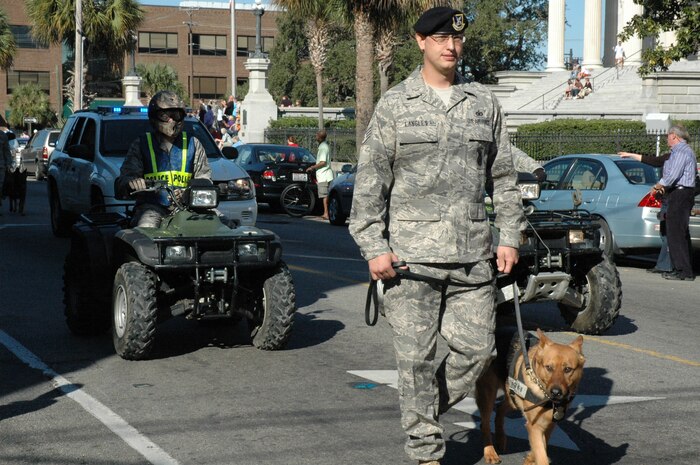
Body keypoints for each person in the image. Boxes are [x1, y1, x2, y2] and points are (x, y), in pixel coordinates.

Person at [348, 7, 524, 465]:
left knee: (478, 349)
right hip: (410, 263)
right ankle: (426, 453)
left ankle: (420, 407)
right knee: (415, 363)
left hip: (472, 258)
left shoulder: (483, 105)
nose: (451, 45)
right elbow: (370, 183)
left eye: (457, 39)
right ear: (420, 41)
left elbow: (504, 178)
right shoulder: (395, 105)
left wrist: (509, 237)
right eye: (441, 37)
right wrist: (374, 247)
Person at [115, 90, 212, 228]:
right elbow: (124, 180)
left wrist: (187, 193)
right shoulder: (142, 144)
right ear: (154, 118)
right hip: (152, 208)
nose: (171, 120)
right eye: (164, 116)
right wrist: (132, 183)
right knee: (146, 228)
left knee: (220, 223)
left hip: (190, 208)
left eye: (176, 115)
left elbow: (205, 179)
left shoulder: (193, 143)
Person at [650, 125, 697, 280]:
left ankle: (683, 271)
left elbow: (673, 174)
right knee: (678, 232)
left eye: (668, 136)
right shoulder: (678, 151)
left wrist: (658, 186)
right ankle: (682, 268)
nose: (667, 139)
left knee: (676, 233)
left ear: (675, 136)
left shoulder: (682, 151)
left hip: (681, 193)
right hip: (678, 193)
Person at [618, 150, 672, 273]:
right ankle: (666, 264)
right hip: (667, 199)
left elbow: (664, 171)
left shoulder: (674, 157)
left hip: (669, 199)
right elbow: (653, 161)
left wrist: (658, 187)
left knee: (668, 234)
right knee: (666, 234)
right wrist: (632, 155)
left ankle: (666, 265)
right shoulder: (673, 157)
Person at [306, 130, 333, 220]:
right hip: (325, 174)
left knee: (324, 195)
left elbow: (323, 162)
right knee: (325, 194)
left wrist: (312, 167)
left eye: (316, 135)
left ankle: (326, 213)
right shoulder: (324, 145)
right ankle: (327, 212)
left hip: (324, 174)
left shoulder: (323, 147)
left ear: (319, 137)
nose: (315, 137)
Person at [0, 128, 11, 215]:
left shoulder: (2, 135)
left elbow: (7, 150)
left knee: (1, 185)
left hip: (1, 165)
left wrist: (8, 163)